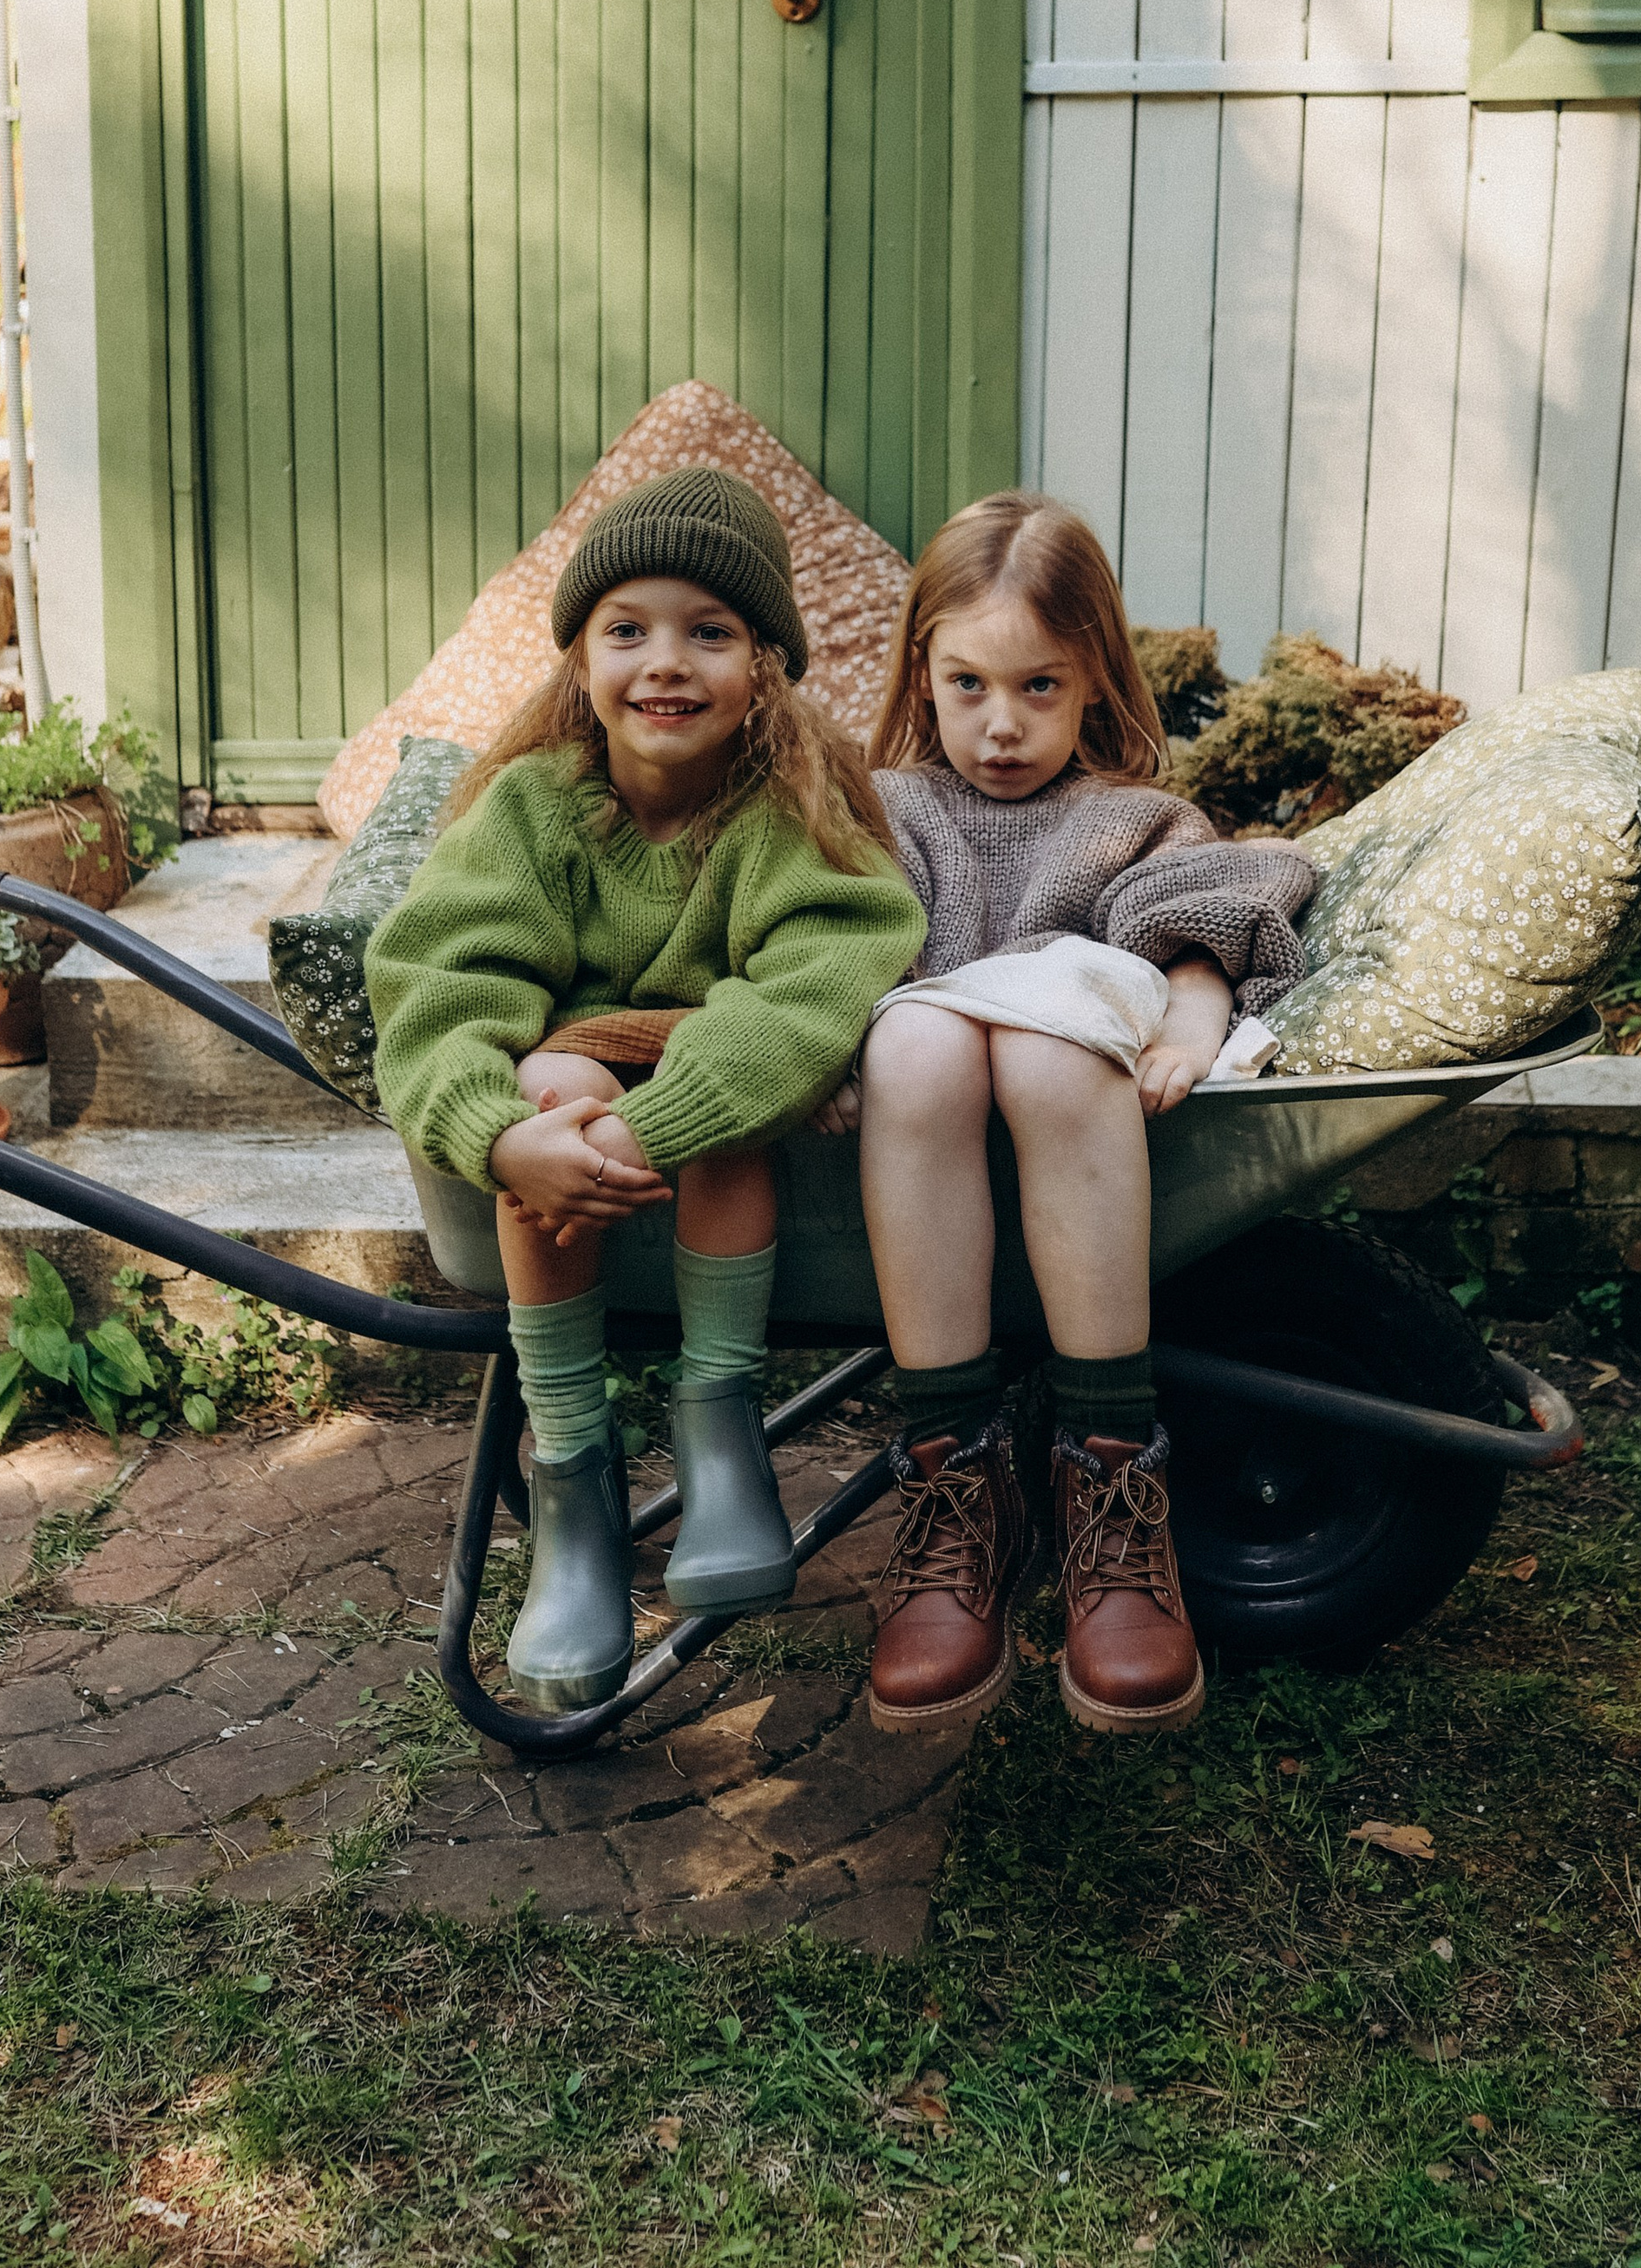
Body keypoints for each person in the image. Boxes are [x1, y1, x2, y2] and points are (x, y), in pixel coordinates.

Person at [364, 466, 924, 1714]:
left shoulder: (787, 809)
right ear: (577, 660)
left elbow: (821, 975)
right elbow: (438, 980)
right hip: (564, 1124)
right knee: (550, 1074)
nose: (665, 663)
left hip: (717, 1122)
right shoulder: (531, 810)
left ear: (765, 665)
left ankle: (719, 1431)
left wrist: (648, 1118)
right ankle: (571, 1476)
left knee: (722, 1085)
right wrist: (502, 1138)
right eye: (628, 629)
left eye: (709, 631)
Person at [822, 493, 1316, 1740]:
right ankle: (955, 1479)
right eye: (968, 683)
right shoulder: (889, 811)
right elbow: (831, 950)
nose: (1001, 724)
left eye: (1040, 686)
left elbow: (1201, 905)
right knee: (921, 1036)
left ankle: (1109, 1477)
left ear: (1095, 674)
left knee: (1050, 1048)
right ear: (921, 673)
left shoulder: (1126, 816)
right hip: (921, 1116)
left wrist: (1196, 1011)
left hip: (1070, 1109)